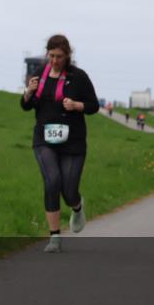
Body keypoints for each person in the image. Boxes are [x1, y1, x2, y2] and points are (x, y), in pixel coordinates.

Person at [21, 34, 99, 253]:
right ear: (47, 54)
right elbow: (26, 106)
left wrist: (76, 105)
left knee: (69, 189)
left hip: (72, 142)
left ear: (68, 56)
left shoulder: (79, 77)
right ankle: (54, 237)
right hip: (44, 139)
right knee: (52, 180)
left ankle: (77, 205)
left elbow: (93, 106)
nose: (55, 61)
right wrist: (28, 92)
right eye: (52, 56)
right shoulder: (39, 74)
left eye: (60, 57)